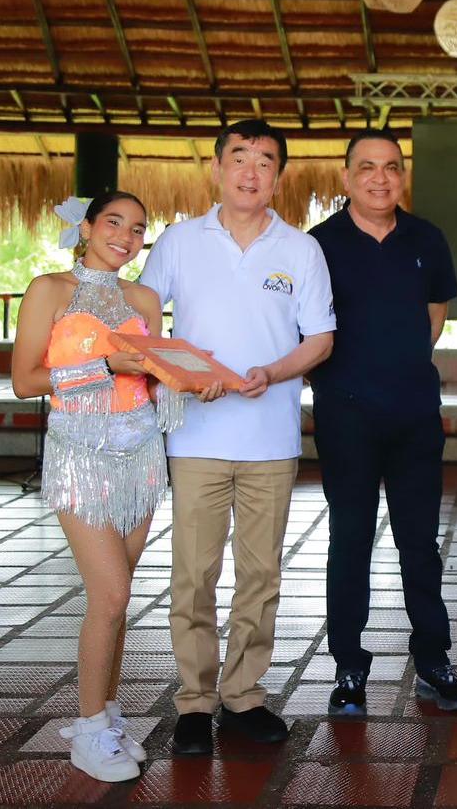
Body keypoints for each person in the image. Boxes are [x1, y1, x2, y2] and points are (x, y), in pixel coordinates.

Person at [138, 119, 337, 754]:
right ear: (218, 167)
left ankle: (243, 695)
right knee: (193, 574)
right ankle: (194, 702)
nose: (251, 172)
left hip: (270, 438)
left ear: (279, 175)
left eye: (265, 162)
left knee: (261, 574)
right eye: (240, 158)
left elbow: (321, 338)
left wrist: (273, 373)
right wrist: (180, 372)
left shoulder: (300, 250)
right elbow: (143, 323)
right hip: (194, 437)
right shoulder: (177, 242)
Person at [12, 191, 215, 782]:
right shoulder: (48, 289)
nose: (126, 236)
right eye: (114, 223)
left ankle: (107, 714)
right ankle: (89, 730)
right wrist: (104, 366)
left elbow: (153, 379)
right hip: (80, 454)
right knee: (113, 596)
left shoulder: (144, 298)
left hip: (142, 457)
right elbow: (26, 381)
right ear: (88, 227)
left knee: (116, 601)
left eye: (138, 229)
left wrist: (193, 381)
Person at [308, 127, 457, 716]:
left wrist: (398, 367)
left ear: (402, 175)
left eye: (392, 167)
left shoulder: (427, 237)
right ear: (347, 176)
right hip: (345, 414)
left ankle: (433, 659)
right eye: (367, 167)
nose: (380, 177)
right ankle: (349, 668)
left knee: (419, 544)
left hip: (413, 415)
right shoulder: (317, 245)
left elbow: (434, 316)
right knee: (348, 541)